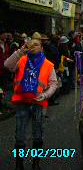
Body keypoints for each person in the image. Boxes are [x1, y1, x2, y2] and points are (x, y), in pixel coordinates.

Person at [4, 32, 58, 170]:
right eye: (31, 44)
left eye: (36, 45)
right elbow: (7, 65)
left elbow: (53, 84)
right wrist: (21, 51)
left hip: (38, 104)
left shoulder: (48, 64)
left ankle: (36, 163)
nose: (33, 47)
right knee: (19, 136)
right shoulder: (22, 59)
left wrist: (45, 95)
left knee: (38, 135)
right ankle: (19, 164)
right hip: (22, 103)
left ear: (41, 48)